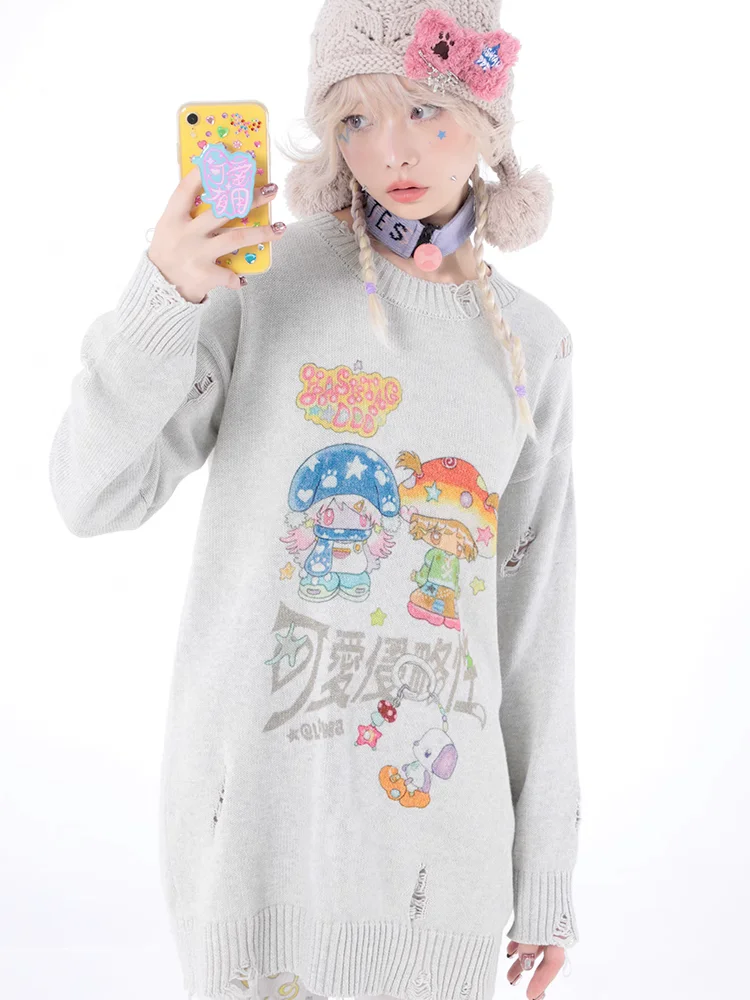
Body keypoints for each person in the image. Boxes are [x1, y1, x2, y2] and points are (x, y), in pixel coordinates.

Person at [48, 2, 581, 1000]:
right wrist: (166, 290)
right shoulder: (262, 281)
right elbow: (92, 491)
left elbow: (533, 624)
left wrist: (546, 868)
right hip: (256, 848)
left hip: (440, 865)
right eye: (356, 119)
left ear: (486, 114)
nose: (392, 151)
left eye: (426, 110)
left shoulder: (533, 346)